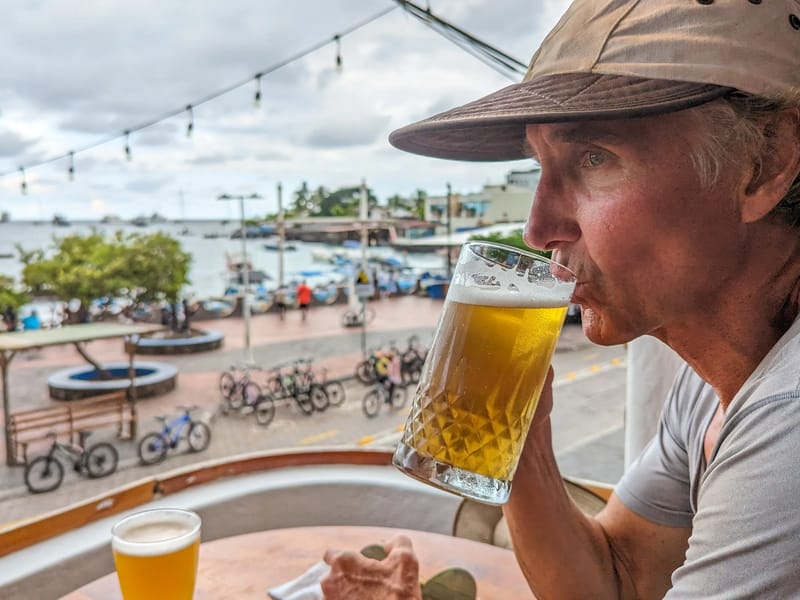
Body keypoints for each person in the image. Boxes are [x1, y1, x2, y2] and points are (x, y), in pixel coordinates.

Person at [321, 0, 800, 597]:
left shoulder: (789, 416)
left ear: (766, 161)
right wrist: (516, 436)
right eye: (539, 168)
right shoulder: (712, 387)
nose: (537, 226)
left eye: (594, 157)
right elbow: (617, 578)